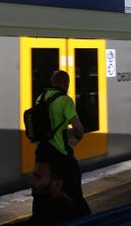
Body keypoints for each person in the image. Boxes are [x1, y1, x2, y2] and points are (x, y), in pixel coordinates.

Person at [34, 70, 91, 216]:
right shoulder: (65, 100)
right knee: (74, 191)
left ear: (52, 82)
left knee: (43, 191)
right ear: (66, 83)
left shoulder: (40, 98)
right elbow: (78, 128)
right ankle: (84, 218)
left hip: (42, 152)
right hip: (60, 154)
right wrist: (77, 137)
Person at [27, 154, 88, 226]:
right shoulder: (44, 197)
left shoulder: (63, 214)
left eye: (38, 177)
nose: (30, 182)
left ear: (57, 184)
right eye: (33, 175)